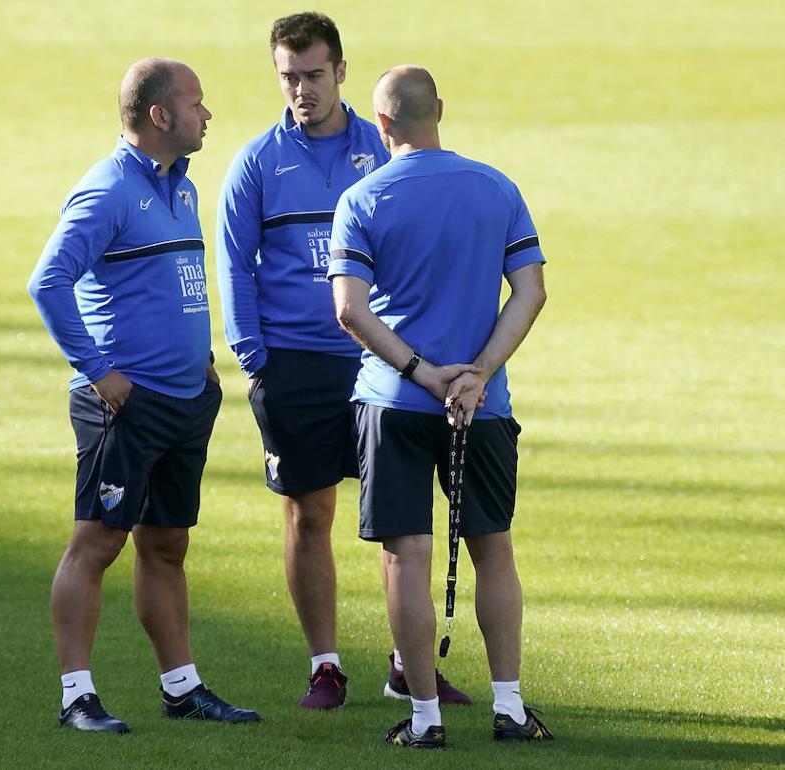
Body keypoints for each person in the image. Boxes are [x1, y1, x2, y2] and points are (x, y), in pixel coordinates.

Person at [216, 12, 469, 710]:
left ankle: (405, 665)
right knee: (310, 514)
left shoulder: (383, 147)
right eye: (289, 78)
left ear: (341, 72)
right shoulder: (257, 163)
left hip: (379, 360)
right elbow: (234, 263)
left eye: (314, 75)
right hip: (294, 361)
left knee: (401, 519)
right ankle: (325, 666)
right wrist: (253, 356)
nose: (302, 90)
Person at [28, 57, 260, 734]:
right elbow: (48, 282)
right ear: (160, 116)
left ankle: (181, 688)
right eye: (195, 103)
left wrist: (203, 361)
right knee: (97, 546)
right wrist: (98, 370)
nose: (206, 113)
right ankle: (76, 697)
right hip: (125, 405)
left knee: (166, 545)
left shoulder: (179, 186)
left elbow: (172, 287)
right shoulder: (106, 192)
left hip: (185, 400)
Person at [328, 66, 555, 748]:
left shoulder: (362, 198)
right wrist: (478, 373)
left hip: (394, 401)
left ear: (383, 125)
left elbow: (348, 309)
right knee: (493, 550)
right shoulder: (496, 188)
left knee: (406, 556)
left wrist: (424, 374)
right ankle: (509, 708)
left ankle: (425, 718)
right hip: (480, 406)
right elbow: (530, 292)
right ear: (441, 113)